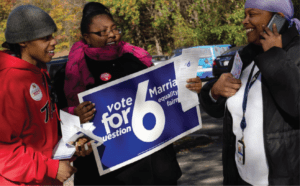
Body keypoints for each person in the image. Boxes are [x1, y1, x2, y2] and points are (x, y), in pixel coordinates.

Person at [63, 2, 202, 185]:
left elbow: (166, 96)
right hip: (113, 177)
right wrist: (76, 117)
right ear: (86, 37)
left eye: (114, 29)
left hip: (159, 171)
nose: (112, 34)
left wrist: (189, 88)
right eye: (102, 32)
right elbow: (63, 124)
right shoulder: (74, 73)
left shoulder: (136, 59)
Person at [199, 0, 300, 185]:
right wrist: (214, 91)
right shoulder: (244, 57)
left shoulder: (296, 54)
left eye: (252, 15)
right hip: (241, 177)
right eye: (244, 15)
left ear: (279, 19)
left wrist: (275, 56)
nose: (245, 21)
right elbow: (216, 109)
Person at [0, 5, 79, 185]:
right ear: (23, 42)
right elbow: (4, 153)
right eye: (45, 38)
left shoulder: (39, 72)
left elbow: (40, 133)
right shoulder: (8, 82)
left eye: (52, 35)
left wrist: (72, 145)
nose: (54, 42)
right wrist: (51, 168)